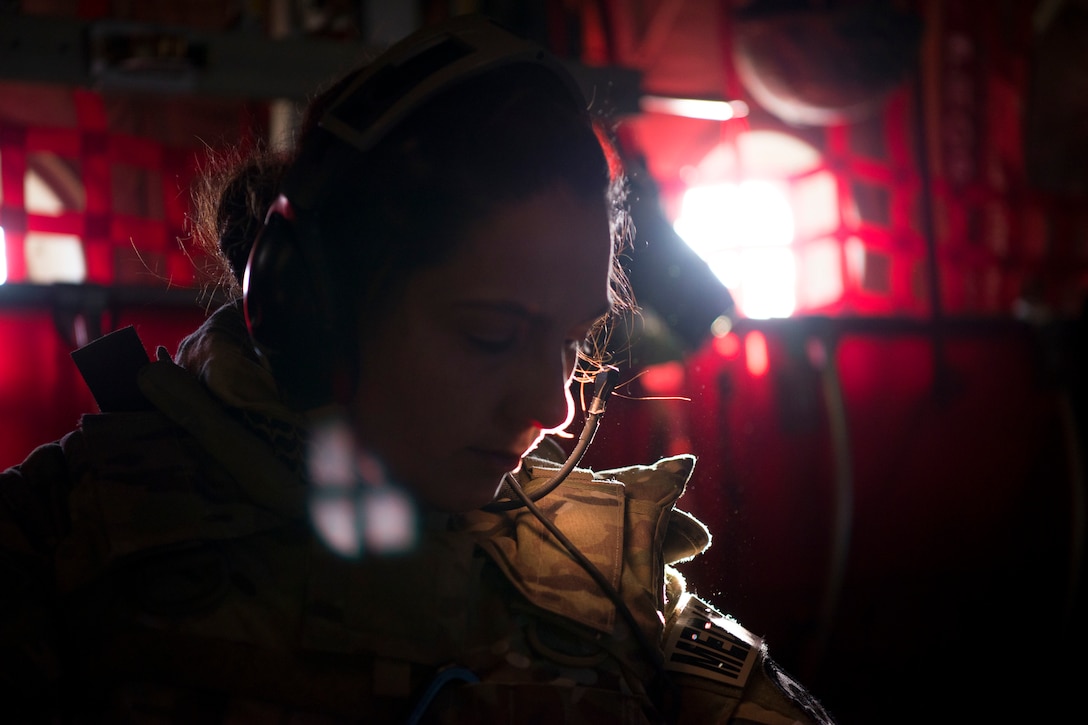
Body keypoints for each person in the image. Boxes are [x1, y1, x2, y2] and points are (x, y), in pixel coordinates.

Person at [0, 14, 835, 724]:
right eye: (489, 336)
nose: (554, 407)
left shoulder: (615, 582)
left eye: (572, 343)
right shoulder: (61, 544)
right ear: (313, 308)